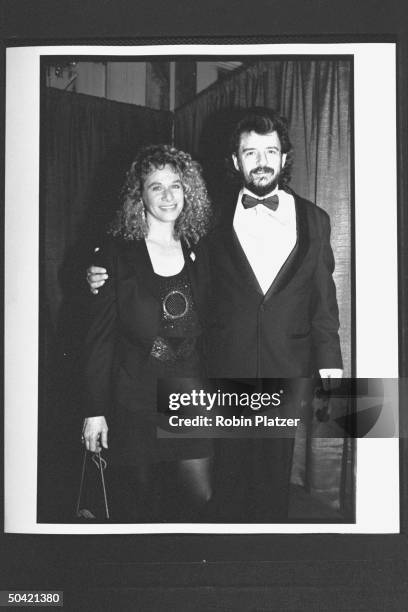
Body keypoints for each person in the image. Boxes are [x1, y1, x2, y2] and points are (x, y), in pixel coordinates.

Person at [87, 108, 343, 521]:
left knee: (273, 485)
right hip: (219, 371)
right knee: (223, 489)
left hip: (286, 367)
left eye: (270, 151)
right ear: (235, 161)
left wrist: (330, 370)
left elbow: (323, 301)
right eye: (250, 152)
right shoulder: (206, 221)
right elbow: (153, 256)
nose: (261, 161)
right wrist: (96, 271)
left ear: (284, 157)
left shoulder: (315, 220)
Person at [81, 144, 213, 522]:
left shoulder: (200, 249)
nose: (168, 196)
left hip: (189, 396)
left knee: (198, 497)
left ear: (189, 192)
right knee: (136, 507)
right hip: (134, 397)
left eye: (176, 185)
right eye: (156, 186)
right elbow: (99, 338)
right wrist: (94, 411)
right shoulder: (116, 253)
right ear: (139, 195)